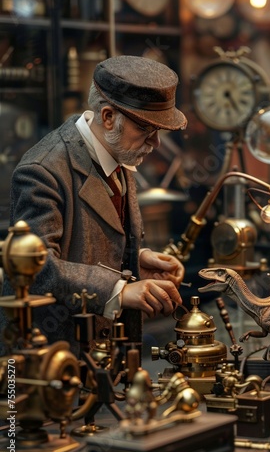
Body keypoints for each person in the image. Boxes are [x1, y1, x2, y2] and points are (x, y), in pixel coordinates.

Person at [1, 55, 187, 357]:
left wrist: (134, 260)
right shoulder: (42, 170)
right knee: (13, 407)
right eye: (145, 129)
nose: (155, 143)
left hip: (104, 353)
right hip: (47, 360)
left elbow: (87, 240)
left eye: (158, 131)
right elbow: (35, 270)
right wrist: (120, 289)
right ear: (108, 116)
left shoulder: (118, 150)